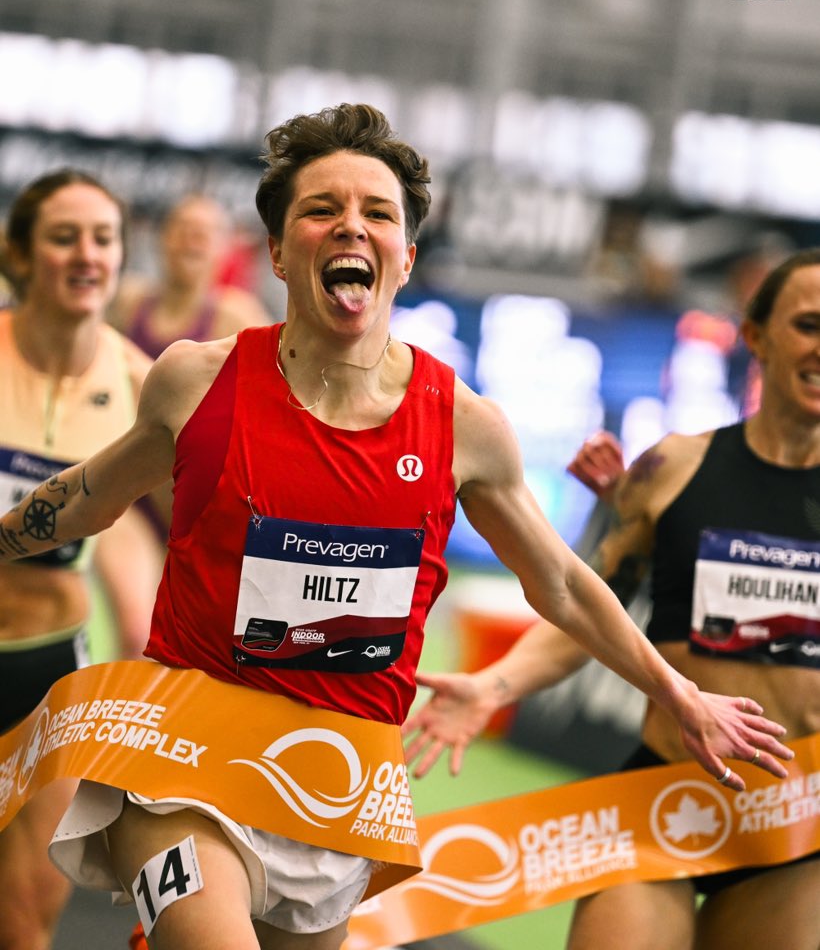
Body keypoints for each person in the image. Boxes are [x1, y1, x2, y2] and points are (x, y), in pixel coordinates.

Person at [0, 105, 792, 950]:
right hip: (183, 766)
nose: (352, 225)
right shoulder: (197, 382)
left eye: (378, 213)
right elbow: (86, 499)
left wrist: (680, 693)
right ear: (276, 252)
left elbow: (558, 582)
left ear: (406, 257)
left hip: (336, 784)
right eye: (320, 209)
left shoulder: (465, 425)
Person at [403, 248, 820, 950]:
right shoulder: (672, 468)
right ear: (755, 337)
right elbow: (585, 609)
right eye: (808, 325)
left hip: (791, 822)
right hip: (659, 800)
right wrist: (492, 685)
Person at [0, 169, 159, 950]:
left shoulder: (141, 382)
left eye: (104, 239)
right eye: (64, 237)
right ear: (21, 255)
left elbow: (178, 526)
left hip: (51, 682)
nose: (86, 255)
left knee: (26, 922)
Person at [109, 193, 271, 361]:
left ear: (224, 248)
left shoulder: (238, 317)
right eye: (182, 229)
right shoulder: (128, 301)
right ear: (162, 238)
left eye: (202, 234)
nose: (190, 241)